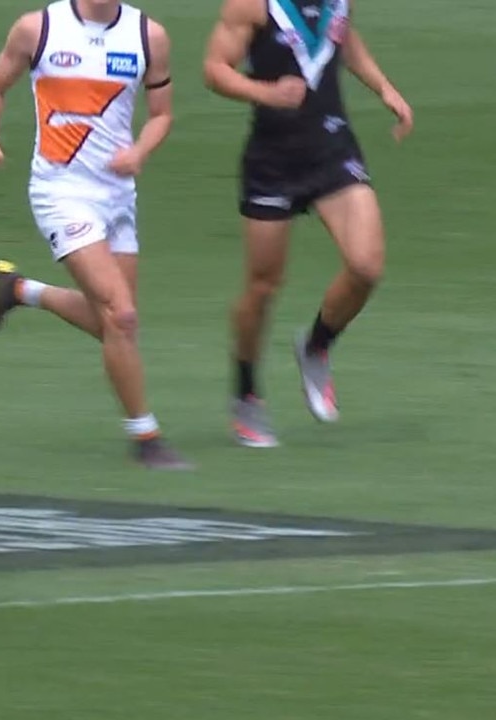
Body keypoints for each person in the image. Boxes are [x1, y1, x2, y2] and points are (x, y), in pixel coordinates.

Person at [0, 0, 191, 470]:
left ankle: (17, 290)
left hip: (118, 195)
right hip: (61, 191)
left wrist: (140, 152)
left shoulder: (147, 36)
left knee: (112, 323)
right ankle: (146, 436)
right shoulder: (38, 29)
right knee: (122, 316)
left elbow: (162, 114)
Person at [202, 0, 413, 447]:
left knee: (367, 266)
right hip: (272, 161)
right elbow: (215, 69)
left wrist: (384, 87)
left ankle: (316, 346)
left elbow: (343, 37)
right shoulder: (250, 6)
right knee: (262, 287)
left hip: (333, 150)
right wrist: (266, 94)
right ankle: (246, 392)